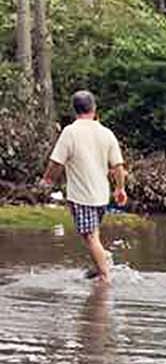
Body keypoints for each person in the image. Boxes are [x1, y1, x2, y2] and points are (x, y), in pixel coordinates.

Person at [43, 90, 127, 281]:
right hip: (101, 195)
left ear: (74, 110)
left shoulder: (70, 132)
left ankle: (104, 276)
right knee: (93, 234)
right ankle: (99, 264)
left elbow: (56, 163)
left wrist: (47, 179)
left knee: (90, 237)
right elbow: (118, 166)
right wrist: (120, 188)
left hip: (81, 195)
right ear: (94, 108)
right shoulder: (106, 133)